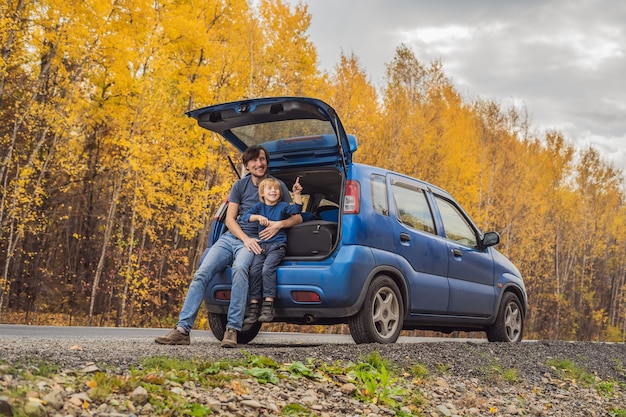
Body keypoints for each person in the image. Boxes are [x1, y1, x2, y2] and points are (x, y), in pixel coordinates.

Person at [155, 145, 302, 348]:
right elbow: (230, 219)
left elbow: (297, 217)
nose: (259, 164)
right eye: (254, 161)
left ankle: (232, 329)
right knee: (202, 273)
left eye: (262, 159)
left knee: (240, 270)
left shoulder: (276, 186)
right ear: (247, 165)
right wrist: (244, 238)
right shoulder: (239, 186)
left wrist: (279, 224)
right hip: (233, 239)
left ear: (267, 162)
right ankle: (182, 330)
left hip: (255, 243)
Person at [241, 177, 303, 324]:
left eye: (276, 189)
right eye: (269, 188)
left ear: (280, 193)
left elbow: (297, 210)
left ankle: (268, 305)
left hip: (277, 246)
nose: (273, 191)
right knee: (254, 270)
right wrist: (257, 217)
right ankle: (254, 305)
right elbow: (244, 217)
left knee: (267, 269)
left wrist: (297, 194)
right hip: (262, 246)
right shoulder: (259, 207)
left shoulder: (282, 206)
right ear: (262, 193)